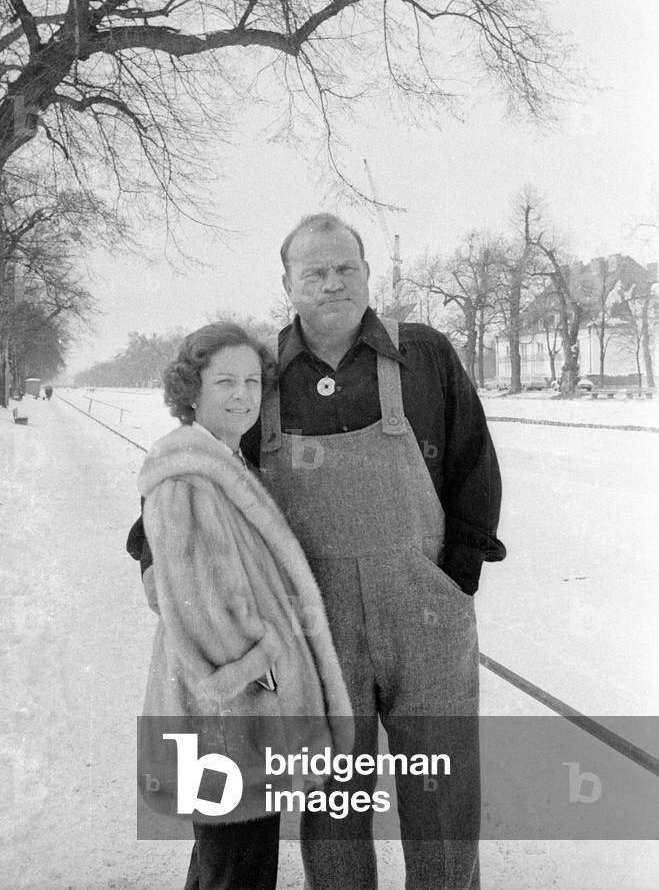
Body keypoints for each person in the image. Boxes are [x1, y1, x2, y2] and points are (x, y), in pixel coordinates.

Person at [129, 216, 505, 889]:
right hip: (316, 627)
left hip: (426, 618)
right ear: (288, 285)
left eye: (345, 268)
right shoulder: (261, 374)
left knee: (442, 793)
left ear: (366, 272)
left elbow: (472, 464)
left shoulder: (423, 356)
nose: (333, 283)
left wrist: (456, 578)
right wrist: (150, 550)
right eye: (315, 273)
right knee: (332, 797)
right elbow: (196, 467)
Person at [136, 322, 352, 890]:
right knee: (238, 869)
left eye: (253, 382)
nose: (242, 395)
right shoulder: (188, 476)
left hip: (241, 716)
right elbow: (195, 606)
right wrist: (263, 664)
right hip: (232, 719)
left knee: (225, 864)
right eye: (225, 381)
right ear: (192, 389)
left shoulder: (222, 461)